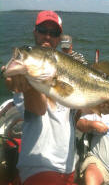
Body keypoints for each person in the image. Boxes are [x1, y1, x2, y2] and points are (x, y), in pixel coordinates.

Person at [4, 10, 78, 185]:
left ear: (59, 39)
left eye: (54, 33)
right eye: (43, 30)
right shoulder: (24, 72)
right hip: (39, 165)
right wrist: (29, 86)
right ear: (35, 32)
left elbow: (75, 109)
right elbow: (37, 110)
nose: (47, 36)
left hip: (69, 166)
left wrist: (99, 107)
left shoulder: (65, 69)